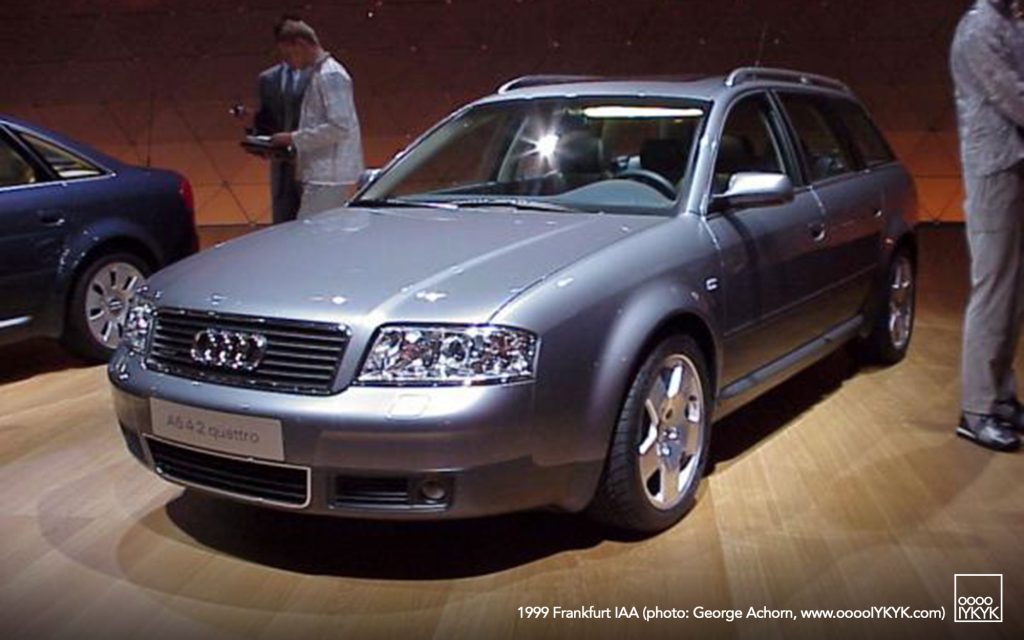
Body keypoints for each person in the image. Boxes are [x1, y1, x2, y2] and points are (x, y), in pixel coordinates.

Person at [950, 0, 1024, 451]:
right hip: (993, 169)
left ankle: (1000, 397)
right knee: (994, 288)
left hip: (1014, 164)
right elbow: (1012, 95)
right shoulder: (978, 28)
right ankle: (975, 410)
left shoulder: (1007, 21)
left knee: (1013, 295)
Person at [270, 19, 364, 218]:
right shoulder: (319, 74)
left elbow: (339, 127)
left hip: (329, 177)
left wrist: (293, 138)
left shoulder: (330, 75)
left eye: (288, 55)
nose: (288, 63)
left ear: (301, 44)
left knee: (310, 230)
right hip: (323, 176)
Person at [253, 15, 310, 225]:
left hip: (311, 163)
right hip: (281, 166)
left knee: (313, 222)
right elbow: (265, 120)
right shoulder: (268, 79)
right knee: (283, 222)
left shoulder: (319, 75)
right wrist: (259, 140)